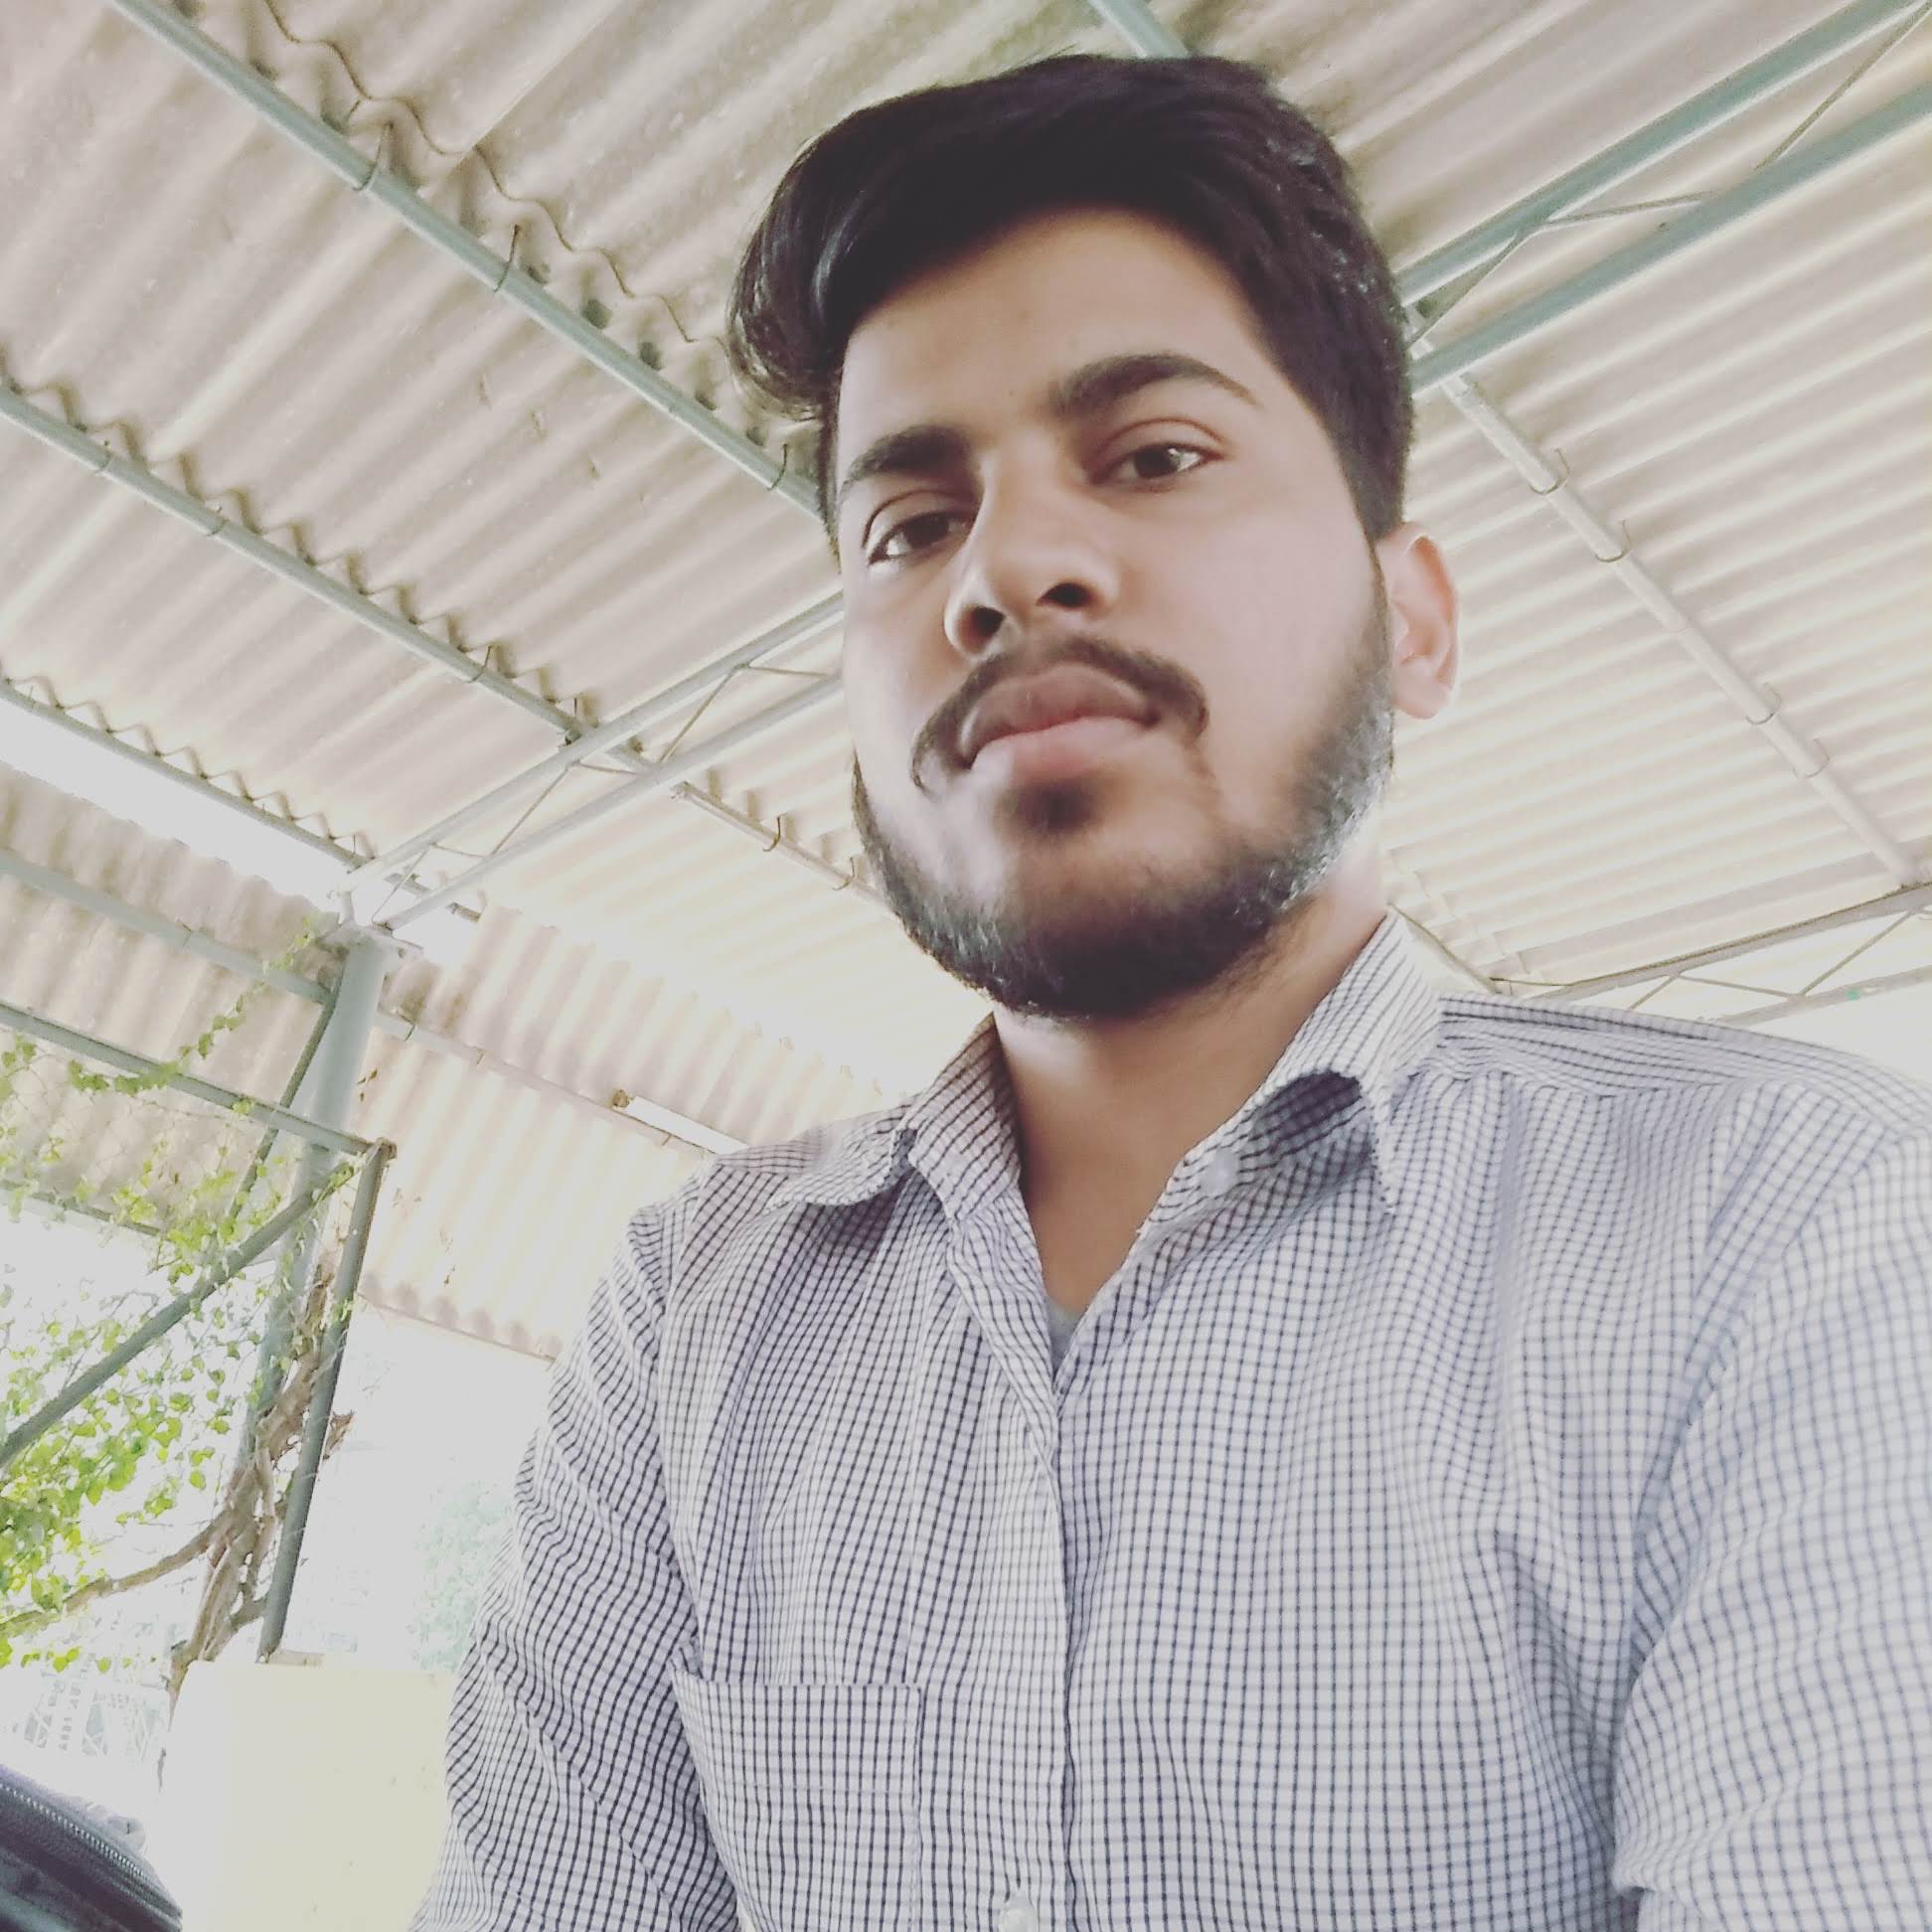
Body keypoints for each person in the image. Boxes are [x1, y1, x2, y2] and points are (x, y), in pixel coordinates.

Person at [413, 53, 1932, 1932]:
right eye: (909, 526)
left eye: (1154, 457)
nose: (1003, 570)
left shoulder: (1793, 1226)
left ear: (1415, 619)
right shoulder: (694, 1319)